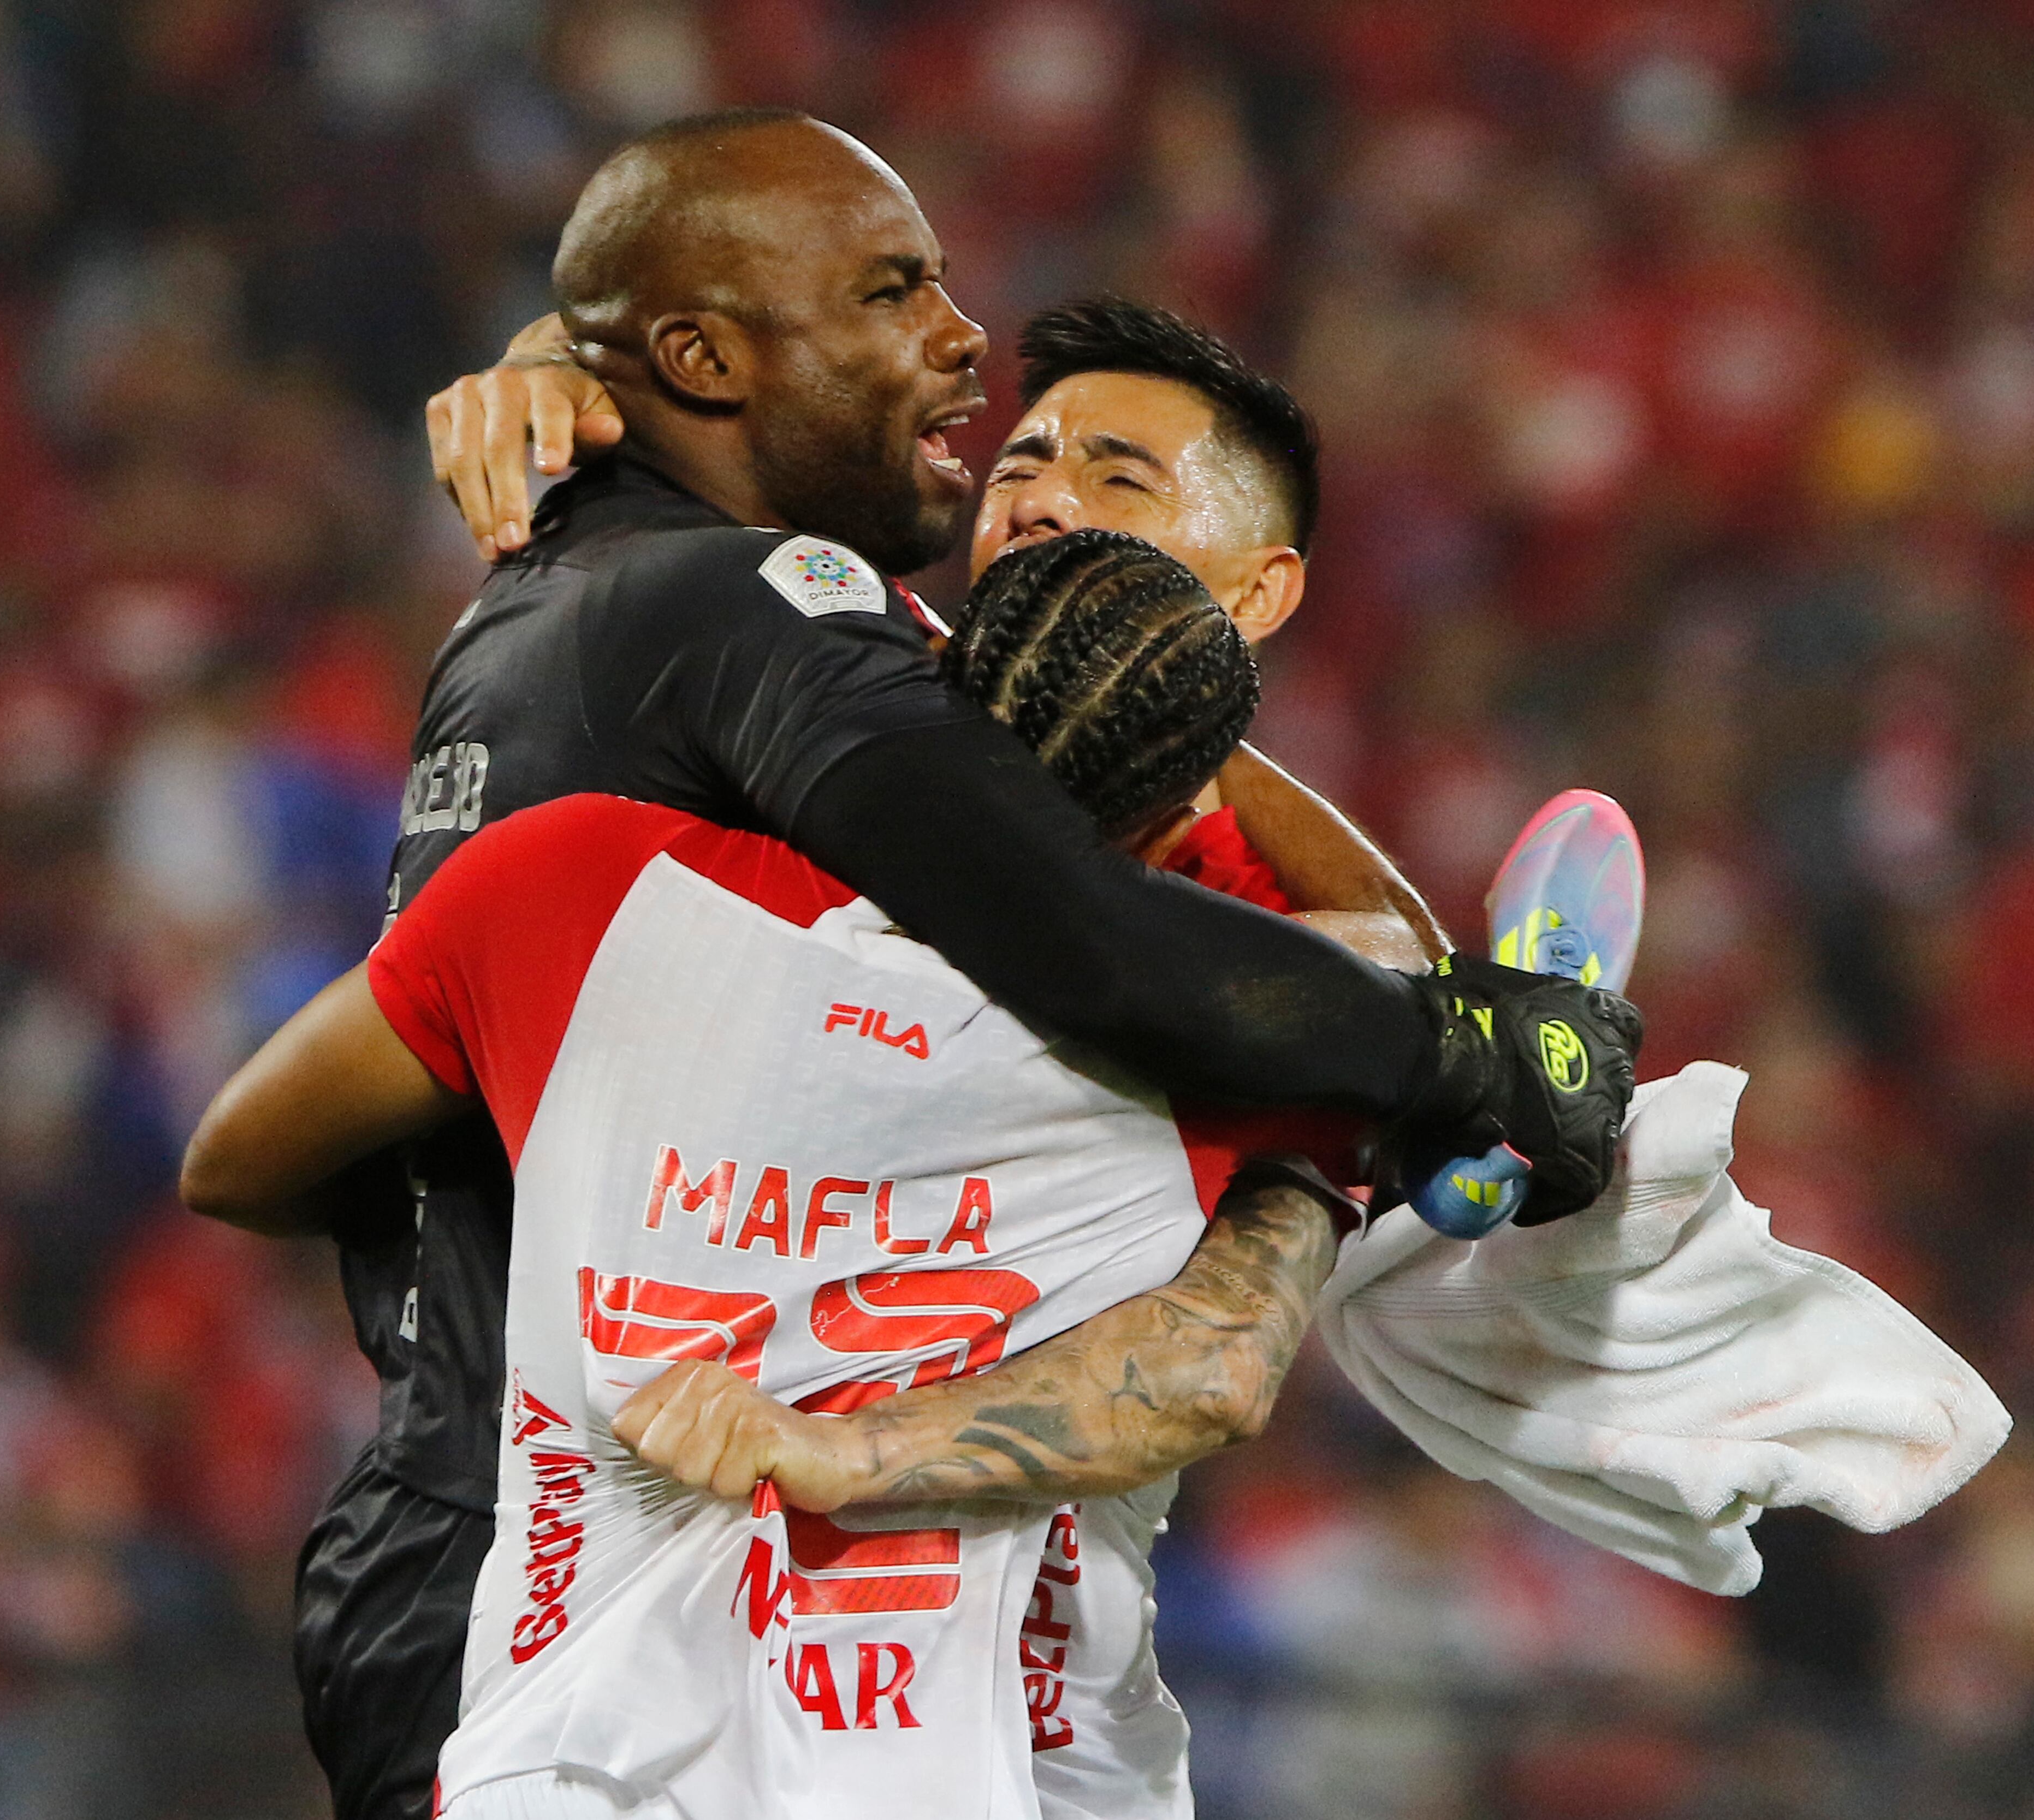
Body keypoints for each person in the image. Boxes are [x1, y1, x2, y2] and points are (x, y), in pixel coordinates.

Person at [222, 108, 1635, 1820]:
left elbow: (255, 1152)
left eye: (1112, 482)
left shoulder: (650, 641)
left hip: (767, 1607)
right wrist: (1459, 1057)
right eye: (897, 290)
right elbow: (1120, 969)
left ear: (1260, 590)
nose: (971, 360)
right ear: (702, 358)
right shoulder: (745, 670)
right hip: (591, 1575)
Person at [184, 531, 1564, 1818]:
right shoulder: (1201, 1078)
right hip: (902, 1769)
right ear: (1176, 824)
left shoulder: (567, 882)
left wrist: (541, 1207)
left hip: (553, 1750)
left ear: (928, 699)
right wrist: (840, 1450)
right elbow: (1225, 1337)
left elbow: (237, 1156)